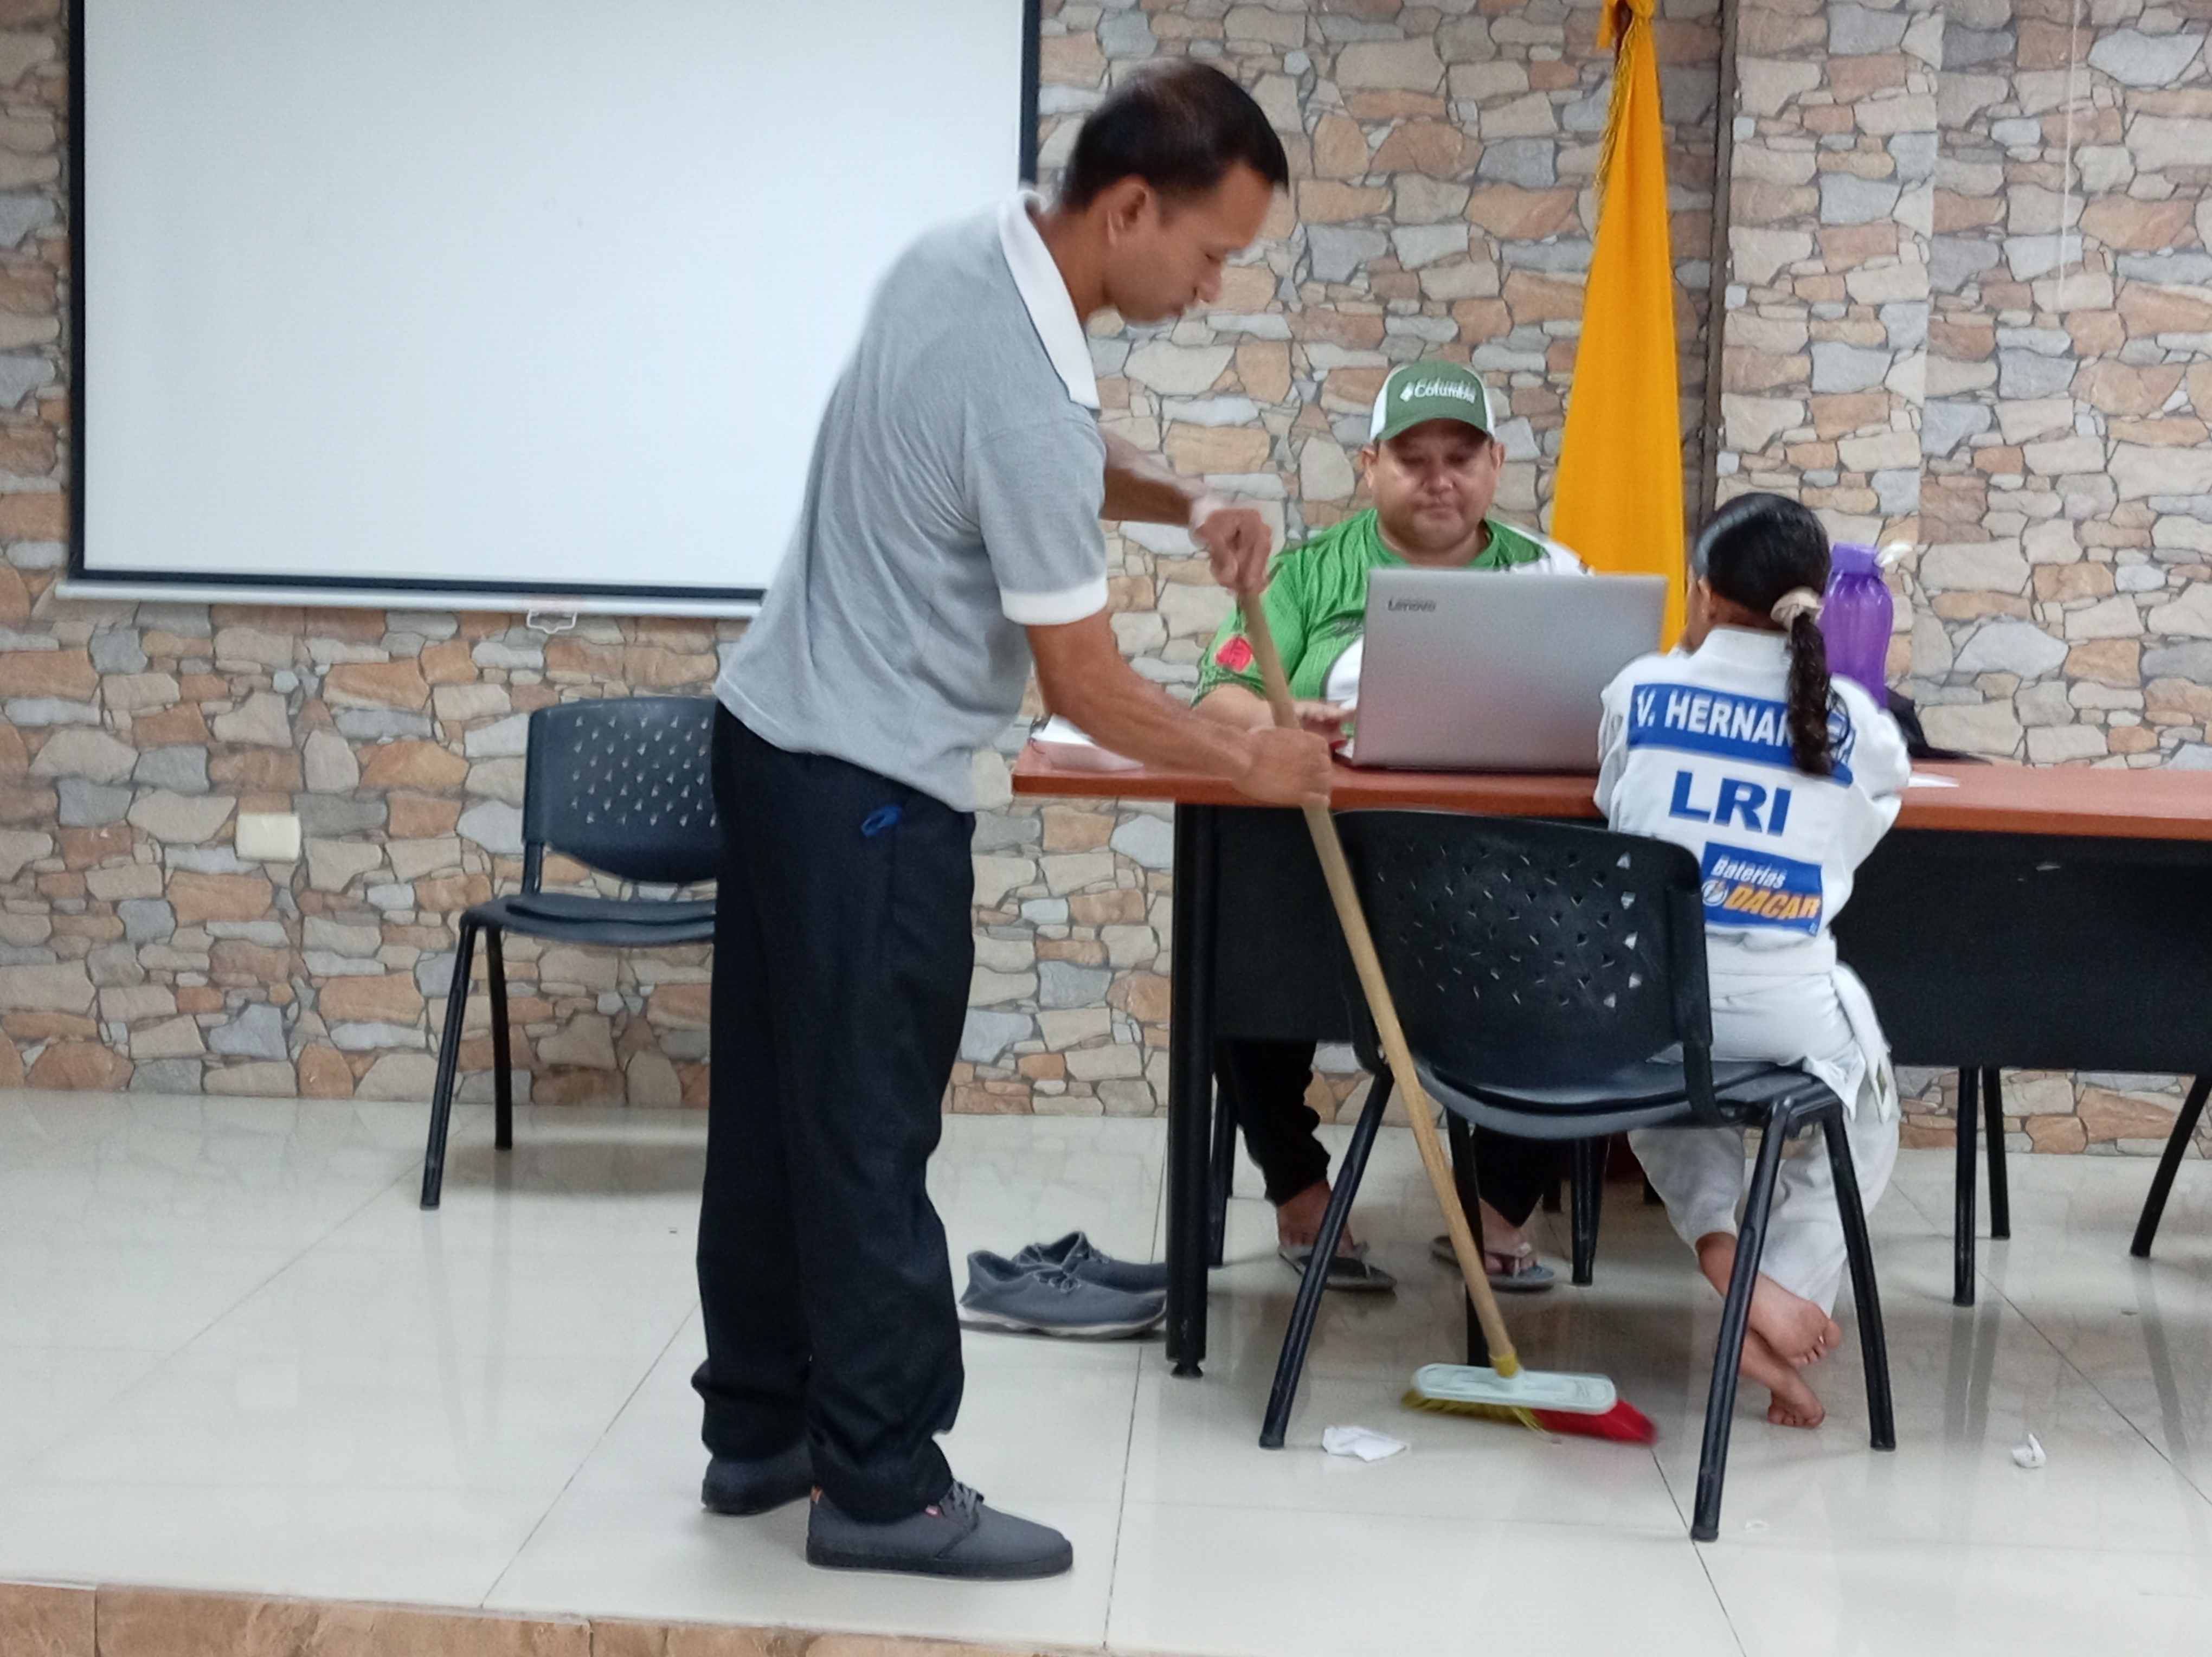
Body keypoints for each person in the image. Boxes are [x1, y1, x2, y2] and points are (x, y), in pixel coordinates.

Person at [695, 63, 1333, 1582]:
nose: (1212, 285)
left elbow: (1030, 456)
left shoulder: (960, 255)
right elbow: (1088, 684)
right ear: (1130, 208)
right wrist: (1245, 762)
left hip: (768, 742)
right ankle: (885, 1485)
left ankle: (760, 1433)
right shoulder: (1035, 393)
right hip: (868, 794)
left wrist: (1186, 501)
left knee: (777, 1122)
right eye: (1211, 252)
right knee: (868, 1136)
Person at [1195, 360, 1583, 1293]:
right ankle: (1301, 1196)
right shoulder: (1305, 574)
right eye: (1413, 459)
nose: (1439, 479)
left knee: (1594, 964)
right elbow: (1219, 697)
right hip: (1328, 872)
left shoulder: (1554, 575)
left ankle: (1494, 1209)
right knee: (1232, 951)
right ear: (1370, 466)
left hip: (1498, 877)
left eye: (1461, 457)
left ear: (1496, 464)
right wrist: (1288, 721)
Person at [1594, 491, 1910, 1430]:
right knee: (1868, 1103)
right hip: (1786, 1008)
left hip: (1647, 1005)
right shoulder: (1854, 722)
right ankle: (1778, 1291)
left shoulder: (1637, 691)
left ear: (1702, 592)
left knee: (1674, 1077)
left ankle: (1720, 1247)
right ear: (1816, 602)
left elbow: (1618, 808)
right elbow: (1850, 842)